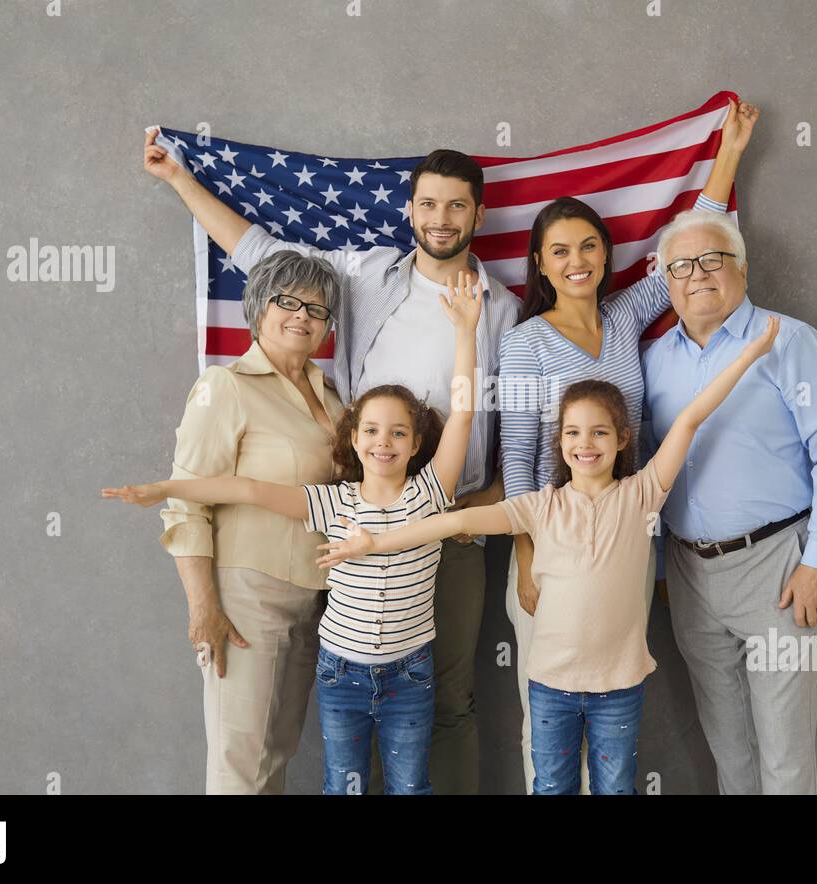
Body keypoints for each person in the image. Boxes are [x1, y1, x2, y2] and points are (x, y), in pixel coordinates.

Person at [144, 133, 520, 793]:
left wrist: (479, 510)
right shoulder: (367, 276)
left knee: (447, 701)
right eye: (428, 204)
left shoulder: (505, 311)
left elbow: (507, 427)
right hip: (354, 529)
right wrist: (181, 181)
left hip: (450, 525)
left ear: (477, 216)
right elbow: (266, 257)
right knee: (364, 701)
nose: (441, 219)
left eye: (456, 206)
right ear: (409, 211)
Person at [318, 316, 780, 794]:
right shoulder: (540, 506)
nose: (585, 444)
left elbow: (689, 418)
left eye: (600, 433)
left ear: (622, 439)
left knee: (615, 788)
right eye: (573, 433)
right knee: (551, 787)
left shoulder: (643, 494)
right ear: (560, 442)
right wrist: (374, 542)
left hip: (618, 687)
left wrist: (749, 354)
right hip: (551, 687)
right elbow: (455, 522)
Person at [105, 274, 483, 794]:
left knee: (364, 773)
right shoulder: (331, 496)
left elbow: (462, 412)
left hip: (388, 657)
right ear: (352, 438)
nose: (383, 442)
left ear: (418, 442)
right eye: (371, 431)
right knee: (283, 769)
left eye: (398, 432)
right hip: (307, 643)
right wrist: (165, 487)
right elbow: (250, 489)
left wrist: (467, 332)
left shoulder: (424, 488)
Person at [497, 98, 760, 792]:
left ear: (604, 253)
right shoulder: (523, 345)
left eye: (588, 246)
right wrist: (528, 559)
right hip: (550, 548)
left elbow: (691, 247)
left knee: (612, 713)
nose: (577, 260)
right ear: (541, 264)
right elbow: (518, 458)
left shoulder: (626, 315)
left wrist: (727, 154)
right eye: (561, 251)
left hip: (627, 546)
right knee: (549, 724)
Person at [642, 207, 817, 794]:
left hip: (779, 567)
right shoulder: (655, 359)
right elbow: (650, 471)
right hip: (689, 573)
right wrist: (663, 567)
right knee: (729, 747)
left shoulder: (789, 341)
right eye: (682, 266)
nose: (697, 274)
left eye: (713, 260)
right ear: (666, 282)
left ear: (741, 269)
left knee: (785, 755)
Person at [152, 250, 344, 794]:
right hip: (246, 598)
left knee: (276, 751)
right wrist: (203, 608)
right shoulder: (225, 386)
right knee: (241, 763)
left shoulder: (331, 396)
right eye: (288, 301)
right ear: (259, 307)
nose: (303, 316)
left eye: (317, 308)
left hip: (318, 598)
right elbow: (186, 501)